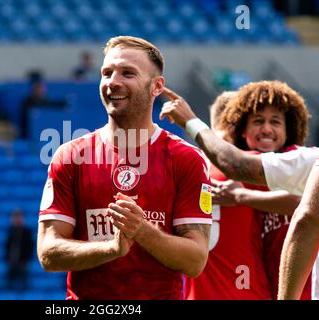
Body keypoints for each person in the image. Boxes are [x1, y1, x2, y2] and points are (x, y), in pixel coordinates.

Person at [37, 36, 212, 300]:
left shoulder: (186, 159)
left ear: (156, 86)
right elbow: (48, 253)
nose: (112, 82)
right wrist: (111, 249)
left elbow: (195, 261)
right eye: (107, 73)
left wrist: (142, 231)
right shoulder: (71, 156)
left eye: (127, 73)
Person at [158, 84, 319, 300]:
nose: (266, 129)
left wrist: (242, 197)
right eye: (258, 121)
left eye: (276, 122)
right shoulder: (244, 172)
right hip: (254, 290)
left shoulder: (293, 159)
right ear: (239, 131)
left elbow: (308, 205)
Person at [185, 90, 272, 300]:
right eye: (256, 122)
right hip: (244, 292)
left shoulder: (186, 165)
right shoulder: (249, 166)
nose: (263, 130)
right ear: (239, 125)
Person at [5, 210, 33, 291]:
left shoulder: (27, 232)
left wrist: (26, 259)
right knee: (10, 284)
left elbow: (30, 246)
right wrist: (8, 259)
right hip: (12, 262)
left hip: (23, 262)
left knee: (24, 284)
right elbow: (7, 246)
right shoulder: (10, 231)